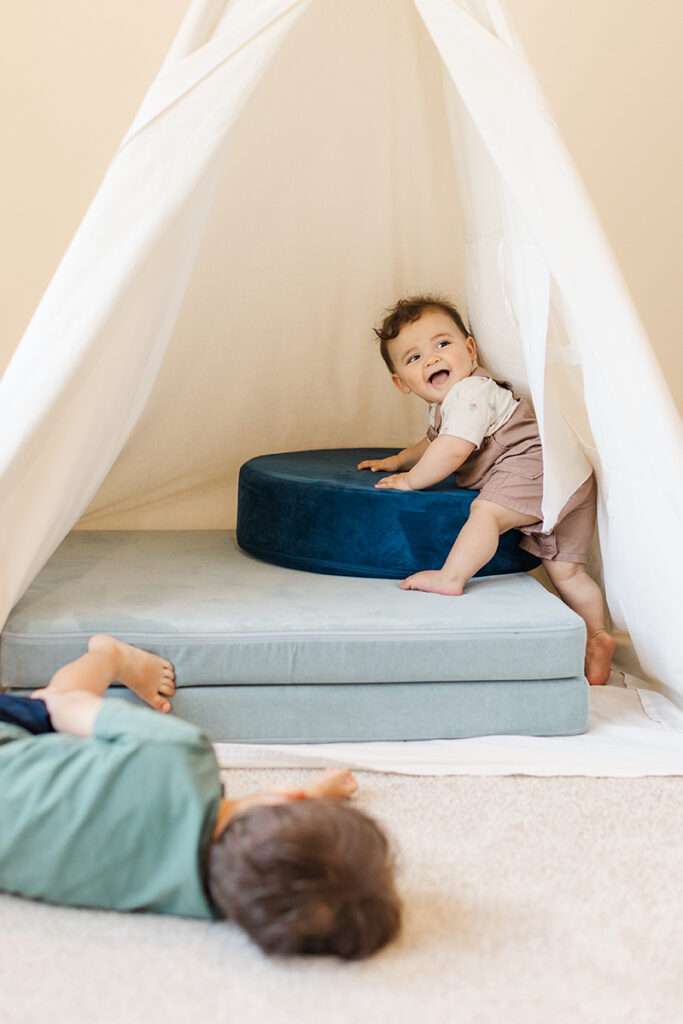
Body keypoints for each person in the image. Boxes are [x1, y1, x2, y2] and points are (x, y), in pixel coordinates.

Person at [0, 635, 400, 959]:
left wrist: (306, 799)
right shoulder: (192, 902)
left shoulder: (183, 754)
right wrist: (308, 800)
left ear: (290, 796)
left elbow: (61, 707)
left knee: (51, 705)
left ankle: (112, 654)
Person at [358, 295, 615, 686]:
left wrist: (411, 481)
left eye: (442, 344)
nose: (431, 358)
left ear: (470, 348)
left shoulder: (470, 392)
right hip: (570, 479)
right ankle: (597, 636)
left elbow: (452, 447)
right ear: (401, 382)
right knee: (569, 573)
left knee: (486, 514)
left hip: (534, 469)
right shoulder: (455, 403)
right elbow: (434, 442)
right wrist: (400, 459)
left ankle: (451, 576)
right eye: (413, 358)